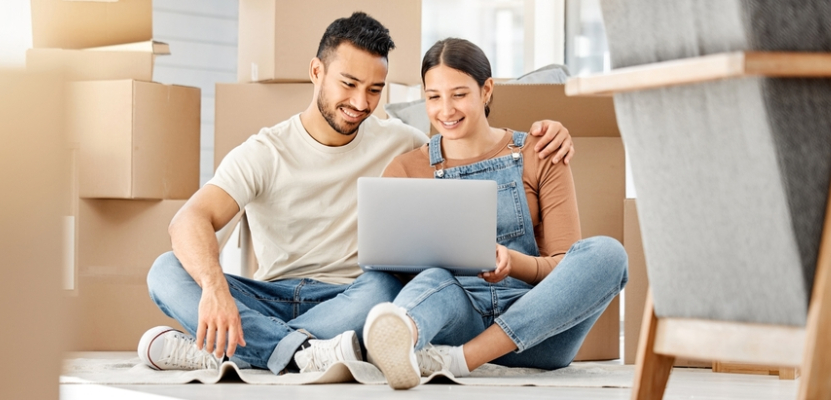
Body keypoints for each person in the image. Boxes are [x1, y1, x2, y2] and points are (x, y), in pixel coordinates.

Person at [138, 14, 576, 375]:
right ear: (316, 72)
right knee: (165, 269)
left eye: (374, 89)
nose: (361, 102)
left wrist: (549, 132)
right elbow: (189, 221)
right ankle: (298, 351)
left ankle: (230, 350)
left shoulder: (403, 142)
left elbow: (467, 133)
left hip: (355, 297)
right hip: (270, 294)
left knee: (387, 285)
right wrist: (215, 290)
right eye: (348, 83)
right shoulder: (264, 151)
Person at [362, 37, 628, 390]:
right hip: (459, 317)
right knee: (432, 279)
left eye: (459, 94)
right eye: (433, 96)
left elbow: (565, 265)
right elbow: (392, 265)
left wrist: (512, 262)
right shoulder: (406, 168)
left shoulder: (541, 151)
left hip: (539, 332)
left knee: (609, 254)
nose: (445, 110)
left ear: (486, 90)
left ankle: (459, 361)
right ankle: (401, 334)